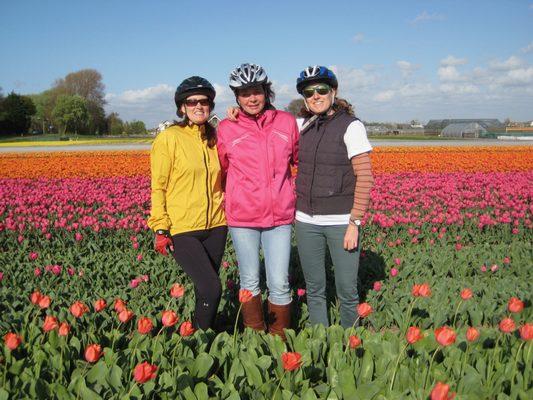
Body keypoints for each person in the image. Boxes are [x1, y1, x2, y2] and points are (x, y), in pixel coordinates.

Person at [217, 63, 299, 340]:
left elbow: (299, 159)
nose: (252, 98)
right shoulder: (227, 128)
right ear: (236, 97)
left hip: (279, 217)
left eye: (257, 91)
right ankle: (254, 340)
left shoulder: (286, 123)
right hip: (243, 217)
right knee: (249, 281)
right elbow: (221, 166)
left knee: (279, 281)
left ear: (266, 91)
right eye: (244, 93)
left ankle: (280, 339)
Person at [294, 66, 374, 329]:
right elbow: (267, 120)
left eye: (321, 90)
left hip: (342, 222)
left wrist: (355, 223)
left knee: (347, 291)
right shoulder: (302, 125)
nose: (315, 96)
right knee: (315, 289)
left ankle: (350, 348)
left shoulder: (351, 126)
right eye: (309, 92)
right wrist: (234, 115)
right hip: (306, 220)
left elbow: (365, 177)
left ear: (334, 91)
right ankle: (320, 343)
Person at [147, 76, 227, 331]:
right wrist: (160, 228)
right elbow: (158, 186)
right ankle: (199, 339)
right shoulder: (169, 138)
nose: (198, 106)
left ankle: (202, 333)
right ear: (182, 107)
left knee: (207, 286)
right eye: (191, 102)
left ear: (211, 105)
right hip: (182, 228)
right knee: (212, 287)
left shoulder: (216, 139)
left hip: (217, 225)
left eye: (204, 101)